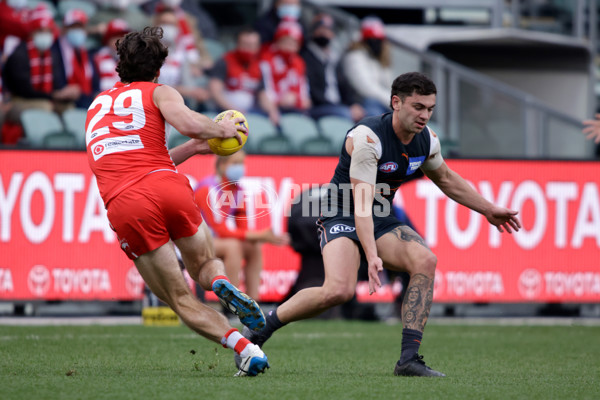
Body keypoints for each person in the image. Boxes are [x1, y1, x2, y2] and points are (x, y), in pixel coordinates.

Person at [240, 72, 521, 377]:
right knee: (338, 291)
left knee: (425, 260)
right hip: (340, 211)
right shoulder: (367, 138)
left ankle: (409, 359)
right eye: (417, 107)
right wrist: (372, 256)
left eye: (429, 109)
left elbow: (447, 179)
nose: (424, 115)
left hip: (380, 214)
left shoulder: (426, 140)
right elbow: (360, 205)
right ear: (396, 103)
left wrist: (488, 209)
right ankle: (260, 331)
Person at [85, 26, 269, 377]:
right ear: (158, 69)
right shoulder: (159, 91)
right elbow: (187, 124)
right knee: (204, 264)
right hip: (165, 185)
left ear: (119, 65)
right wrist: (219, 131)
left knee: (180, 299)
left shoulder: (96, 106)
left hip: (126, 201)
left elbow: (130, 156)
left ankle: (246, 350)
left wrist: (197, 146)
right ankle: (218, 282)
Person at [193, 150, 290, 301]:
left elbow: (242, 229)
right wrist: (261, 235)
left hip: (212, 241)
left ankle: (253, 303)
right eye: (236, 163)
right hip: (192, 241)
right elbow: (221, 231)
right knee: (233, 246)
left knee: (253, 246)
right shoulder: (208, 189)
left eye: (242, 163)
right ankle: (232, 303)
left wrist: (258, 238)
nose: (240, 168)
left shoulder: (238, 190)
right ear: (222, 165)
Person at [207, 27, 280, 125]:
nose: (249, 49)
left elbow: (262, 95)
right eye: (246, 45)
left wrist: (272, 111)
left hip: (251, 112)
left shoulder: (259, 66)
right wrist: (234, 111)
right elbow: (215, 92)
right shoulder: (225, 61)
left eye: (253, 45)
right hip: (224, 112)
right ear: (237, 44)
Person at [300, 13, 365, 122]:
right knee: (344, 115)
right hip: (319, 107)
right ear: (313, 31)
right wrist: (344, 107)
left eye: (328, 30)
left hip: (339, 106)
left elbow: (345, 86)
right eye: (320, 29)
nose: (324, 33)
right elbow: (313, 93)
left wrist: (353, 104)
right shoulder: (306, 57)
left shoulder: (334, 57)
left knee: (368, 115)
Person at [341, 16, 393, 116]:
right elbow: (366, 89)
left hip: (382, 102)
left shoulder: (378, 59)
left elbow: (389, 85)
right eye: (372, 39)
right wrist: (392, 101)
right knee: (377, 115)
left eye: (378, 40)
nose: (376, 43)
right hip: (361, 102)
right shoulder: (354, 56)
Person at [259, 20, 311, 114]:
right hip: (273, 108)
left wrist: (298, 99)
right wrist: (279, 101)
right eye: (286, 41)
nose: (290, 45)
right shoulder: (267, 58)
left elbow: (304, 93)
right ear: (278, 41)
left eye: (294, 42)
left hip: (295, 108)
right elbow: (265, 88)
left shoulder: (299, 62)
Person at [57, 9, 100, 109]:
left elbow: (95, 82)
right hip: (66, 99)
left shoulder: (86, 53)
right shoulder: (56, 50)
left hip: (85, 97)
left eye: (80, 27)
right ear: (64, 29)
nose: (77, 31)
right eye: (73, 27)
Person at [94, 19, 131, 92]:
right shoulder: (97, 58)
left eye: (123, 37)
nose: (120, 41)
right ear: (108, 39)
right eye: (116, 37)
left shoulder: (132, 58)